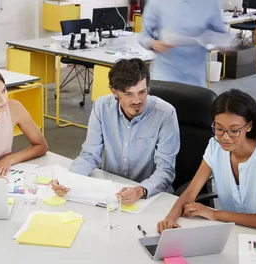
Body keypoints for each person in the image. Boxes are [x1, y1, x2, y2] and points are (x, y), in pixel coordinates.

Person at [157, 89, 256, 232]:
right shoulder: (214, 146)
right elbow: (190, 193)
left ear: (249, 126)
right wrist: (170, 219)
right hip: (235, 231)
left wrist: (214, 214)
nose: (225, 137)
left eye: (234, 131)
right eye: (219, 128)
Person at [51, 58, 180, 205]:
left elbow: (165, 170)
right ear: (114, 92)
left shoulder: (165, 113)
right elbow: (89, 155)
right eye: (128, 94)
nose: (137, 100)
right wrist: (68, 180)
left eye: (142, 92)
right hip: (112, 193)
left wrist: (140, 190)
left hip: (150, 196)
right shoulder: (102, 107)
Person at [139, 0, 228, 87]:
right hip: (164, 76)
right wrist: (152, 43)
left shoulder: (211, 0)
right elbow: (143, 34)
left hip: (196, 79)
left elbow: (222, 35)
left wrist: (221, 42)